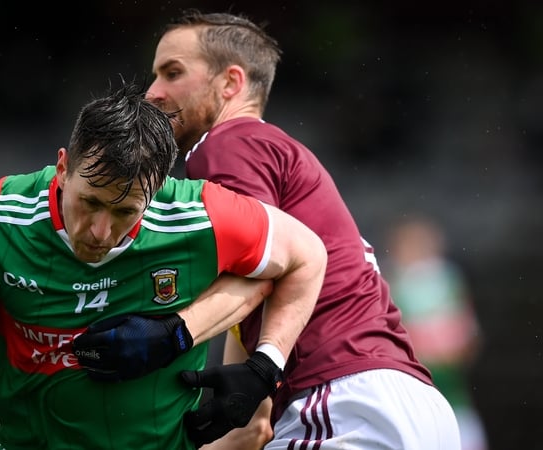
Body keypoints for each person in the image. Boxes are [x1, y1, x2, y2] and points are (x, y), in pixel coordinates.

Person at [75, 10, 461, 450]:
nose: (153, 93)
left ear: (230, 83)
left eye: (173, 72)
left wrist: (170, 334)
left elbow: (266, 272)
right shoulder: (270, 154)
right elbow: (254, 421)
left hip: (340, 399)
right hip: (395, 402)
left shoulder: (226, 145)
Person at [0, 81, 328, 449]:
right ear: (63, 168)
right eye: (90, 202)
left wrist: (265, 367)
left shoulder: (203, 218)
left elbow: (308, 255)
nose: (99, 231)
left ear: (156, 192)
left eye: (124, 212)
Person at [385, 215, 489, 450]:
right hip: (409, 408)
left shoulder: (449, 282)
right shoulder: (387, 285)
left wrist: (443, 344)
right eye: (409, 245)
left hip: (455, 404)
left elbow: (469, 344)